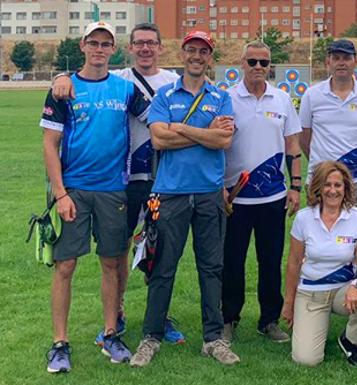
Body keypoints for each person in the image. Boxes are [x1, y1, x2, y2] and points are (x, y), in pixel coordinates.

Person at [51, 23, 185, 346]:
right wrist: (60, 76)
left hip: (162, 178)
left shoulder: (172, 81)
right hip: (124, 182)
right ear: (128, 48)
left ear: (160, 47)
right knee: (119, 251)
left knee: (159, 250)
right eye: (139, 43)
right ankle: (118, 314)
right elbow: (82, 82)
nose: (145, 49)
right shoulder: (121, 79)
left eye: (151, 43)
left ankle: (158, 317)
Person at [40, 21, 150, 372]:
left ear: (112, 49)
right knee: (66, 265)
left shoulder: (125, 89)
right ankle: (60, 344)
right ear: (83, 46)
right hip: (73, 191)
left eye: (105, 44)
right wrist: (60, 194)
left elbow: (158, 119)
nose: (99, 49)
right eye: (94, 43)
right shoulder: (64, 88)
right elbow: (49, 144)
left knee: (111, 263)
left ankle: (110, 334)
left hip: (113, 190)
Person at [129, 30, 239, 367]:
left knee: (211, 268)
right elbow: (159, 140)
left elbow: (224, 141)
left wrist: (181, 128)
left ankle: (213, 339)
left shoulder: (220, 96)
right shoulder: (165, 94)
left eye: (202, 51)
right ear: (183, 53)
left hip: (208, 194)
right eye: (190, 50)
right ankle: (151, 337)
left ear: (209, 57)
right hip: (170, 193)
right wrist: (204, 134)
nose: (196, 56)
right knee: (162, 268)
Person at [221, 41, 302, 343]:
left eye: (264, 63)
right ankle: (229, 317)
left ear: (271, 66)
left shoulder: (282, 99)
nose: (258, 67)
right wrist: (220, 188)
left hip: (272, 198)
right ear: (241, 63)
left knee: (270, 261)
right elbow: (217, 148)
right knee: (232, 261)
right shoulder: (226, 99)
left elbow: (292, 145)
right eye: (252, 61)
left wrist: (295, 186)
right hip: (235, 199)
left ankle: (269, 320)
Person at [281, 161, 357, 367]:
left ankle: (351, 341)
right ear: (318, 187)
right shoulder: (303, 218)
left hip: (344, 291)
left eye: (338, 185)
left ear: (346, 188)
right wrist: (289, 304)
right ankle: (315, 323)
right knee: (306, 359)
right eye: (327, 185)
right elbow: (294, 263)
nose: (332, 191)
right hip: (311, 293)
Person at [299, 39, 357, 211]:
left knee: (356, 235)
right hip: (321, 179)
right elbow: (303, 138)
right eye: (336, 58)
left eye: (346, 58)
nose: (341, 63)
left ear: (356, 61)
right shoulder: (312, 95)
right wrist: (324, 165)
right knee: (318, 234)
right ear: (328, 62)